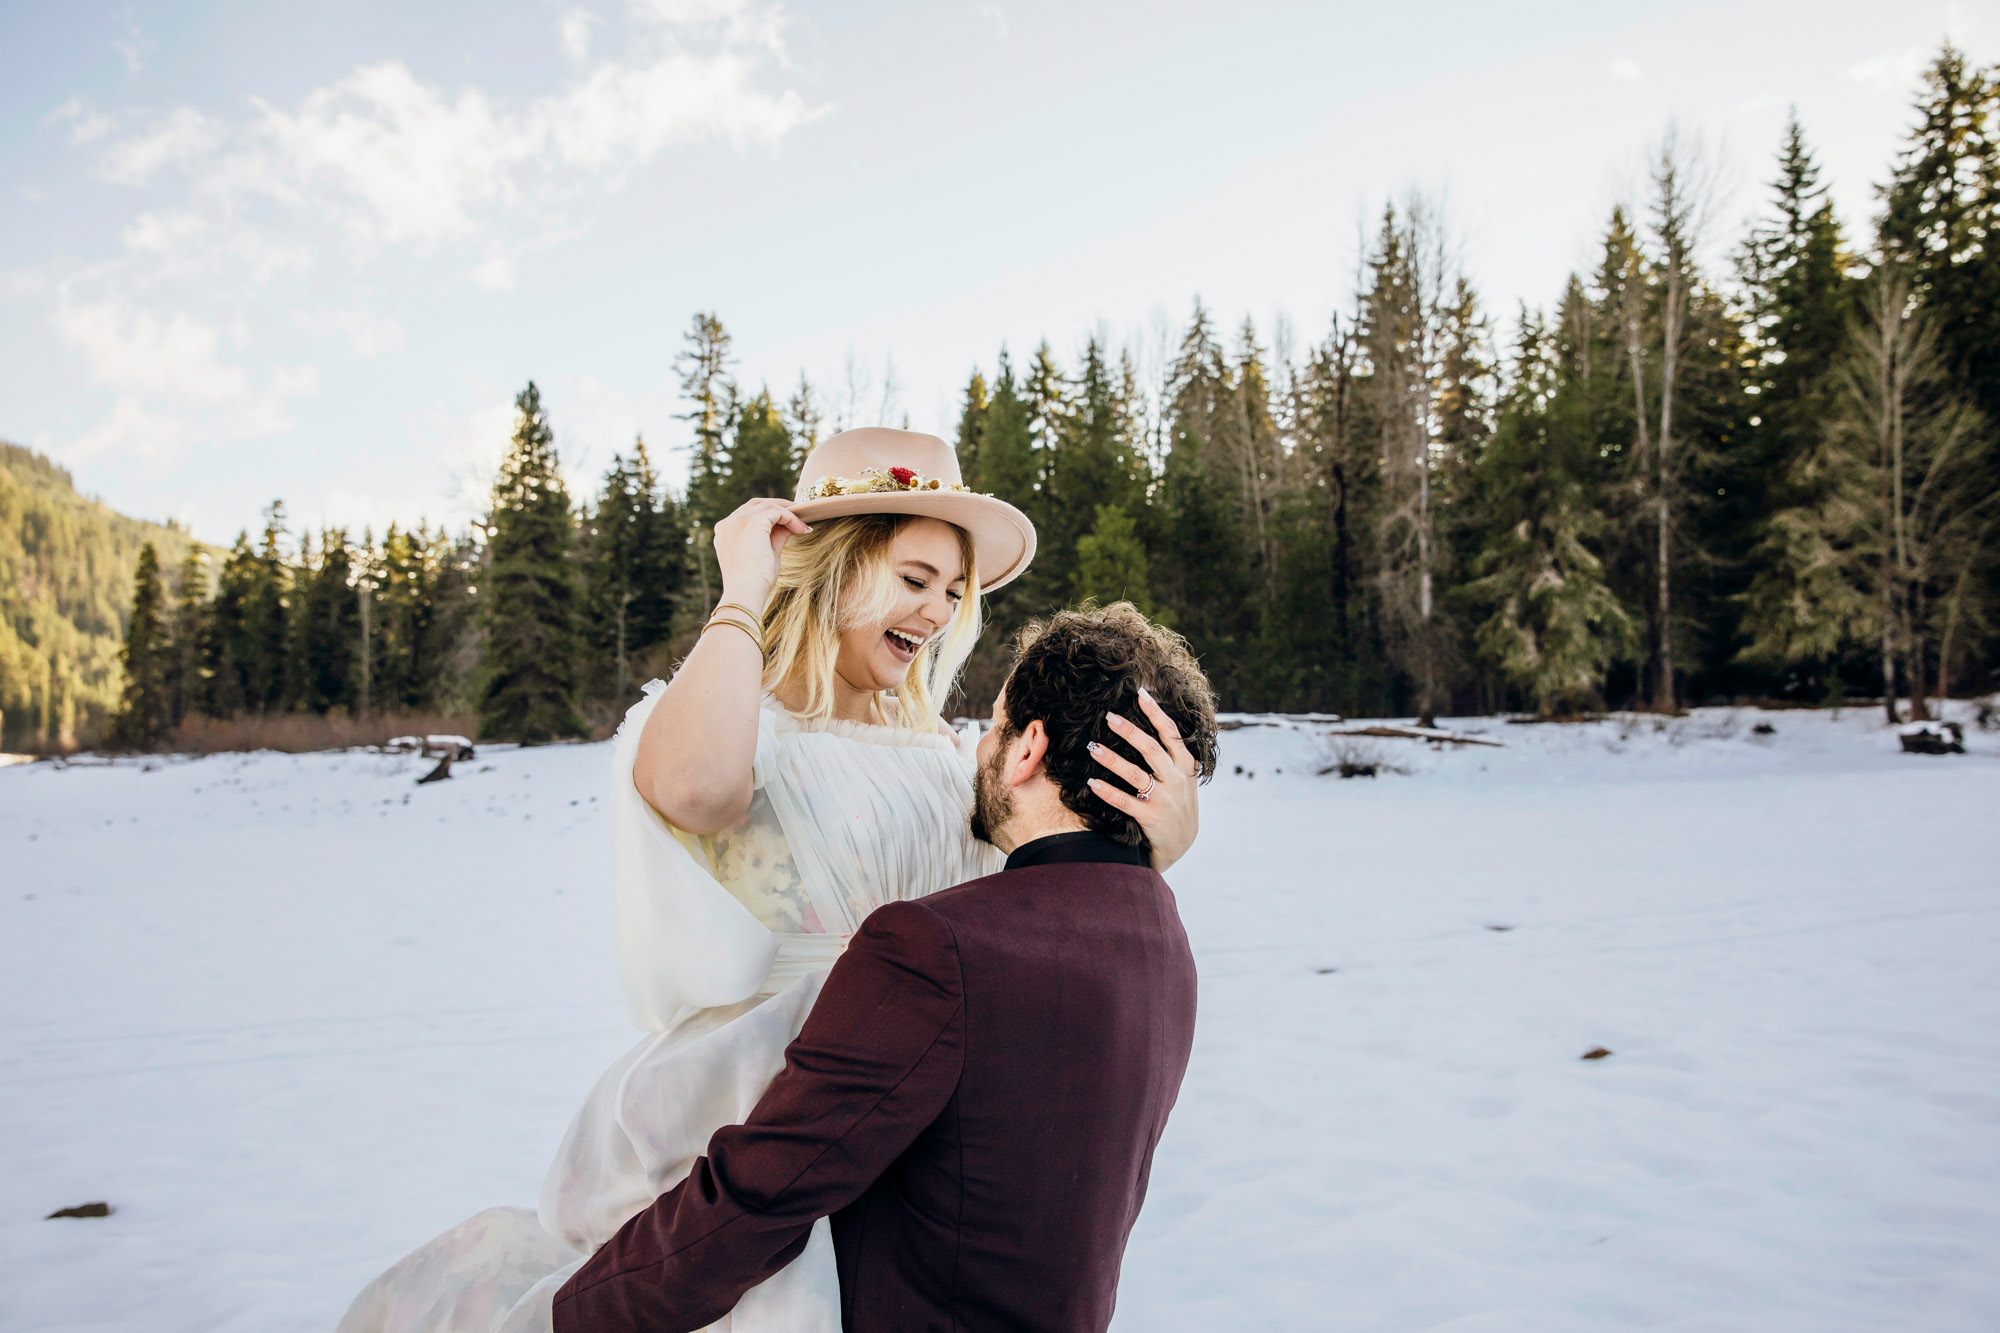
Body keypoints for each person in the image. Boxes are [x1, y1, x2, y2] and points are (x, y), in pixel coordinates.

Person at [336, 429, 1202, 1333]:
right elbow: (701, 790)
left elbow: (1028, 909)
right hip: (757, 1107)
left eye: (953, 590)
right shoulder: (735, 722)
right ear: (831, 566)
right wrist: (744, 589)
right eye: (913, 580)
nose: (940, 612)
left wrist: (1147, 853)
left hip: (909, 1127)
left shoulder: (951, 761)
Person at [551, 602, 1220, 1333]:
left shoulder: (936, 947)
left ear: (1030, 747)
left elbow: (761, 1195)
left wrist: (573, 1315)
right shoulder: (1162, 940)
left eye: (995, 725)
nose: (978, 750)